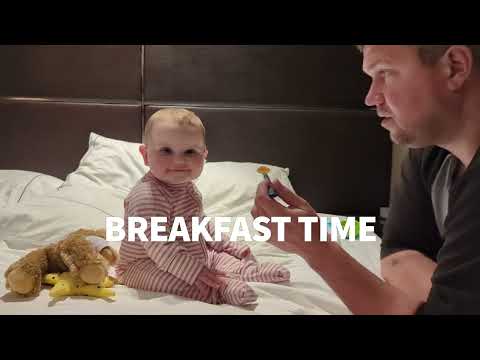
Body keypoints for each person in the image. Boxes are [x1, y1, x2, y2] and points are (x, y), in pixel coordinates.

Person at [251, 45, 480, 314]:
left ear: (454, 66)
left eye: (385, 72)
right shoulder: (431, 156)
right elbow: (396, 254)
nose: (371, 98)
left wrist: (317, 248)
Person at [115, 108, 290, 305]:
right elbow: (159, 246)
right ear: (146, 155)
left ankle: (247, 271)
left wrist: (231, 248)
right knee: (180, 280)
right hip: (143, 264)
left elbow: (201, 224)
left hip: (190, 254)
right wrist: (195, 271)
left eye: (190, 151)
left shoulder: (188, 188)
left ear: (204, 155)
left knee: (215, 258)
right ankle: (219, 290)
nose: (179, 160)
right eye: (166, 150)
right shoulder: (146, 196)